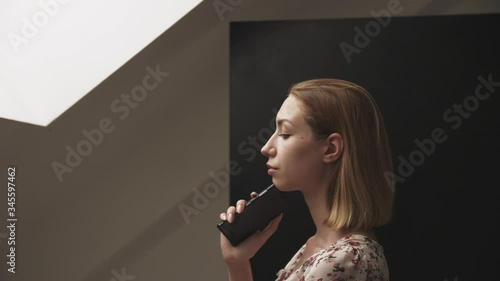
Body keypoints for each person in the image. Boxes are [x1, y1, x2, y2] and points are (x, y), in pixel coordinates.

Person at [219, 78, 394, 281]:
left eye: (284, 133)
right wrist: (237, 262)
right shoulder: (319, 248)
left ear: (331, 148)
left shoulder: (343, 261)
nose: (266, 148)